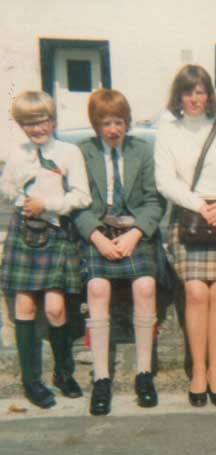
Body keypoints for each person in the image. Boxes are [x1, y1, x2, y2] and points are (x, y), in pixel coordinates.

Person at [155, 65, 216, 407]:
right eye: (188, 92)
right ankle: (198, 371)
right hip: (190, 217)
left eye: (200, 91)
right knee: (196, 293)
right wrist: (202, 206)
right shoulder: (168, 132)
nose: (194, 99)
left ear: (209, 95)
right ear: (178, 96)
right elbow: (165, 181)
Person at [74, 89, 166, 416]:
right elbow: (77, 203)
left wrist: (136, 234)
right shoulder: (82, 153)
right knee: (97, 288)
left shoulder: (142, 151)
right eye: (105, 123)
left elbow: (155, 202)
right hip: (100, 234)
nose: (113, 130)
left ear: (127, 122)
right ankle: (101, 378)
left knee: (146, 286)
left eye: (119, 122)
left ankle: (144, 374)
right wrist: (98, 238)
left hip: (135, 233)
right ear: (95, 125)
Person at [0, 91, 91, 408]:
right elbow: (6, 189)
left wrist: (48, 205)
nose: (37, 129)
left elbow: (82, 196)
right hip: (24, 232)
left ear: (52, 120)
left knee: (55, 308)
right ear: (21, 125)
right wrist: (20, 197)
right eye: (28, 124)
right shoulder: (16, 153)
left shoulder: (68, 152)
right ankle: (31, 382)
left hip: (55, 232)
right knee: (24, 307)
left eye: (42, 121)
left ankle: (64, 375)